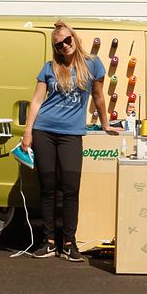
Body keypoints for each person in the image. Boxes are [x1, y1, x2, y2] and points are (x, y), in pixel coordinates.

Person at [22, 20, 115, 262]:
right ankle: (49, 241)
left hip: (72, 133)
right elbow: (36, 101)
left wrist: (105, 123)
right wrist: (28, 131)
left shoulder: (93, 64)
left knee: (71, 189)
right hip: (44, 129)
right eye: (59, 44)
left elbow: (98, 97)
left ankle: (69, 242)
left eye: (67, 40)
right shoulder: (49, 67)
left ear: (74, 38)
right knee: (48, 188)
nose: (64, 45)